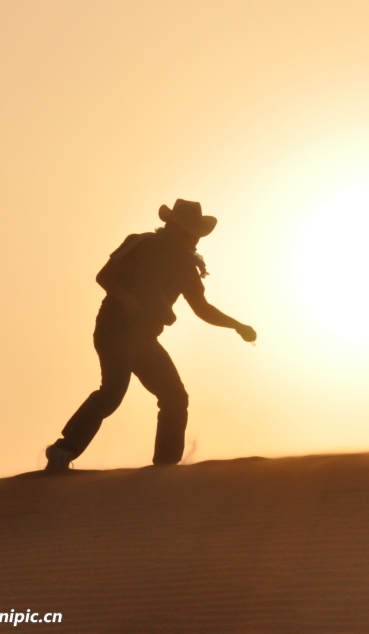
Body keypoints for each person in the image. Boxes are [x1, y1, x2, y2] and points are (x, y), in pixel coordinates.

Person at [44, 199, 256, 471]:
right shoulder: (142, 244)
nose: (195, 240)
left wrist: (237, 325)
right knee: (112, 393)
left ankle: (165, 467)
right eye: (190, 233)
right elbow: (104, 276)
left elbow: (202, 309)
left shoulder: (187, 268)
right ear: (173, 227)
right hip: (115, 330)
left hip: (144, 339)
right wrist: (126, 298)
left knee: (175, 398)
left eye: (197, 235)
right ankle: (63, 451)